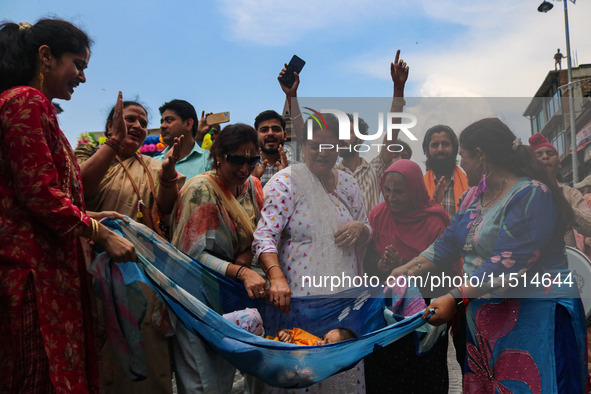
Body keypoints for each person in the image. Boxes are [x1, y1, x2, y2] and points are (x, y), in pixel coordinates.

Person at [393, 118, 588, 393]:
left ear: (482, 156)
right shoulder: (474, 195)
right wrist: (405, 270)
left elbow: (507, 262)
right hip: (488, 319)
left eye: (464, 156)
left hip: (535, 319)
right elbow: (447, 243)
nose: (461, 164)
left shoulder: (532, 193)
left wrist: (453, 296)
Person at [0, 19, 136, 393]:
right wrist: (100, 233)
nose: (83, 78)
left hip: (49, 270)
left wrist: (92, 215)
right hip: (33, 277)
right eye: (78, 64)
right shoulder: (25, 102)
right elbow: (39, 194)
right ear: (45, 56)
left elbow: (34, 196)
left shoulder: (34, 106)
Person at [253, 113, 371, 393]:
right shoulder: (285, 183)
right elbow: (264, 236)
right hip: (299, 303)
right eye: (314, 145)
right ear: (303, 146)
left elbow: (368, 228)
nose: (321, 152)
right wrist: (276, 276)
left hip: (343, 302)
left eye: (328, 146)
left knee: (342, 375)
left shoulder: (349, 184)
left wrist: (360, 229)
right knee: (301, 374)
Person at [75, 97, 184, 394]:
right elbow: (76, 195)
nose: (137, 126)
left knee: (148, 357)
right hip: (96, 277)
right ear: (111, 125)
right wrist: (112, 146)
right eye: (129, 119)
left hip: (144, 277)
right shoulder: (95, 160)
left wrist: (169, 170)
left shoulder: (151, 164)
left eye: (142, 122)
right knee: (104, 358)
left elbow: (166, 207)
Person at [170, 123, 268, 394]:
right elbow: (193, 255)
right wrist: (242, 271)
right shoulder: (202, 190)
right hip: (198, 296)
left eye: (252, 161)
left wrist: (247, 256)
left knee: (247, 373)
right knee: (205, 382)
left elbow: (260, 237)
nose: (244, 169)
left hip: (237, 298)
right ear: (218, 156)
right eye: (236, 160)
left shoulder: (253, 186)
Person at [363, 159, 450, 393]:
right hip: (385, 316)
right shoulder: (379, 215)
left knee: (423, 378)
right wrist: (382, 265)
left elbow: (446, 273)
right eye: (387, 190)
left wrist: (404, 267)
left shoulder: (434, 220)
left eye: (399, 191)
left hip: (423, 315)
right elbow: (366, 263)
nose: (391, 197)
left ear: (414, 189)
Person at [337, 49, 409, 212]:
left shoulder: (375, 169)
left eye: (347, 133)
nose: (341, 139)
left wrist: (398, 90)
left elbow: (392, 131)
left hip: (372, 237)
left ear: (361, 140)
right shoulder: (329, 174)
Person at [529, 132, 591, 249]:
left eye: (550, 153)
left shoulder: (570, 194)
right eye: (539, 154)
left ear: (559, 164)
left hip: (567, 262)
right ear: (531, 164)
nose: (545, 157)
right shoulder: (523, 193)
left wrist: (562, 206)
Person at [223, 307, 357, 346]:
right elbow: (289, 331)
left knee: (234, 344)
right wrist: (284, 334)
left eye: (327, 343)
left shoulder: (316, 362)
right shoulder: (312, 340)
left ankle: (222, 337)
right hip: (262, 341)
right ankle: (215, 322)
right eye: (324, 338)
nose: (320, 342)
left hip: (266, 355)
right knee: (253, 315)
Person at [422, 124, 470, 218]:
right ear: (427, 150)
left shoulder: (471, 184)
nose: (440, 149)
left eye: (445, 144)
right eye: (435, 145)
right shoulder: (420, 187)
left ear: (455, 148)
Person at [156, 99, 211, 179]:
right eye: (162, 122)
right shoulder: (153, 163)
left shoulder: (209, 161)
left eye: (169, 120)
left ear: (188, 124)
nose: (162, 126)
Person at [252, 109, 290, 188]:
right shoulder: (247, 169)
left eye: (276, 129)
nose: (270, 133)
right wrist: (252, 181)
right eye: (264, 130)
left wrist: (287, 177)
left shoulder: (297, 169)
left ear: (285, 135)